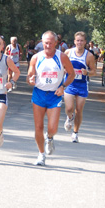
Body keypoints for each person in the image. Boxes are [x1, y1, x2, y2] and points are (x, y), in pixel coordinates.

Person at [27, 31, 75, 166]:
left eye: (50, 43)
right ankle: (41, 155)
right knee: (38, 126)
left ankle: (49, 138)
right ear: (42, 43)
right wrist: (30, 79)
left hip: (55, 95)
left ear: (56, 43)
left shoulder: (62, 57)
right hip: (39, 93)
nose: (47, 45)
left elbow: (71, 74)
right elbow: (30, 76)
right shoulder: (36, 58)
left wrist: (63, 87)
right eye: (45, 43)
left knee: (52, 128)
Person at [63, 32, 97, 143]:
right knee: (69, 108)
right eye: (77, 40)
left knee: (79, 110)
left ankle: (75, 133)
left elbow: (94, 72)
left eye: (81, 40)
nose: (79, 42)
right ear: (74, 42)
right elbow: (61, 65)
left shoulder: (89, 56)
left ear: (85, 42)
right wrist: (63, 70)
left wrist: (87, 72)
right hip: (69, 84)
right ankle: (69, 117)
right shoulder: (68, 52)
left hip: (82, 85)